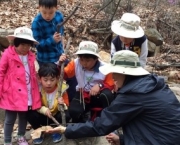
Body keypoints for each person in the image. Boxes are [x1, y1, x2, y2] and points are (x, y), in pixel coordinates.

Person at [45, 50, 180, 145]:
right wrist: (122, 140)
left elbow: (101, 125)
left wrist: (66, 129)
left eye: (114, 72)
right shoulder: (149, 85)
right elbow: (150, 127)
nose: (113, 76)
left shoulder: (134, 95)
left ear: (125, 73)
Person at [0, 27, 41, 145]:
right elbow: (0, 72)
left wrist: (38, 88)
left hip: (27, 91)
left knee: (23, 116)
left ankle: (21, 136)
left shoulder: (31, 56)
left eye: (28, 45)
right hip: (11, 92)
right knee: (10, 119)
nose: (25, 47)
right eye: (22, 44)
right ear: (16, 42)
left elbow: (34, 73)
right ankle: (7, 140)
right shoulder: (8, 55)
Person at [32, 0, 77, 102]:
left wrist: (62, 46)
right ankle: (50, 105)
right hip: (46, 60)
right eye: (44, 12)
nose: (47, 16)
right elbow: (37, 44)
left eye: (51, 13)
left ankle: (70, 103)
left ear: (56, 8)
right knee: (51, 82)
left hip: (59, 55)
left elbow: (61, 35)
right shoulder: (37, 23)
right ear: (39, 8)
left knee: (72, 77)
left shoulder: (59, 16)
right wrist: (51, 40)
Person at [59, 41, 114, 123]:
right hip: (82, 93)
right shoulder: (76, 63)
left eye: (88, 60)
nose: (84, 63)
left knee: (106, 95)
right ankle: (83, 118)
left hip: (98, 95)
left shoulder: (105, 68)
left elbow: (111, 84)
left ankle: (106, 117)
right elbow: (64, 75)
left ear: (96, 58)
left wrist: (100, 85)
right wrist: (60, 64)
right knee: (74, 111)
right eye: (81, 59)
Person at [27, 63, 71, 144]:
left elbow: (67, 106)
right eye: (45, 80)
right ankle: (38, 131)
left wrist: (62, 104)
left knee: (66, 114)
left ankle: (56, 130)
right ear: (40, 79)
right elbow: (35, 104)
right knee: (29, 113)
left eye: (52, 80)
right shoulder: (38, 89)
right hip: (43, 115)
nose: (48, 83)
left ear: (57, 79)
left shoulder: (62, 89)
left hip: (55, 116)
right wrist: (44, 110)